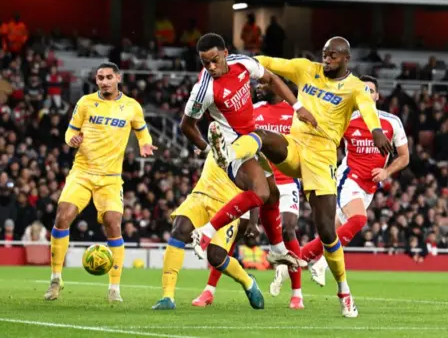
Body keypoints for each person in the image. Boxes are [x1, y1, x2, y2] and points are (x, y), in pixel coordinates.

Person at [207, 37, 393, 318]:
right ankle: (228, 153)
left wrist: (376, 130)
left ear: (346, 59)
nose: (327, 60)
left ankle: (344, 292)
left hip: (321, 159)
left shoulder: (355, 87)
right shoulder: (307, 69)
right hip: (295, 147)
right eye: (324, 54)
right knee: (263, 138)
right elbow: (269, 63)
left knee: (328, 233)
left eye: (333, 56)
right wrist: (234, 59)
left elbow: (367, 107)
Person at [180, 33, 314, 269]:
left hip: (252, 141)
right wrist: (206, 149)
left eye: (215, 60)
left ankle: (276, 250)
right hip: (232, 148)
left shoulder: (242, 63)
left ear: (225, 54)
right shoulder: (204, 90)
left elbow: (271, 79)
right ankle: (206, 232)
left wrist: (298, 106)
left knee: (272, 194)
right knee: (261, 192)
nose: (211, 67)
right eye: (205, 63)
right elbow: (186, 125)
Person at [44, 62, 157, 303]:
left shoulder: (132, 107)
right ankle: (55, 278)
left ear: (118, 78)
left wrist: (144, 143)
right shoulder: (85, 103)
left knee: (113, 223)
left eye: (108, 77)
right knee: (63, 216)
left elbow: (142, 130)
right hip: (82, 172)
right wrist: (71, 139)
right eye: (99, 78)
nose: (104, 81)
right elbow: (69, 131)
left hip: (110, 179)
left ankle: (114, 288)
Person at [192, 82, 306, 309]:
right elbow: (237, 133)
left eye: (264, 83)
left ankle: (296, 294)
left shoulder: (294, 113)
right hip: (254, 174)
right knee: (239, 230)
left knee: (289, 228)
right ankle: (209, 290)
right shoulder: (255, 109)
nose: (259, 86)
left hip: (285, 180)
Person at [301, 75, 409, 286]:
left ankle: (293, 262)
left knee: (331, 231)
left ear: (378, 95)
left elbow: (405, 156)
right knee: (359, 220)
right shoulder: (347, 118)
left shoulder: (392, 122)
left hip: (369, 187)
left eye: (371, 90)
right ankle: (322, 263)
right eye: (363, 90)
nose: (367, 93)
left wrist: (387, 172)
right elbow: (324, 138)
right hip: (349, 178)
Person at [150, 146, 264, 310]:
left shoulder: (248, 148)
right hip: (200, 195)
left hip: (227, 205)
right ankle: (168, 297)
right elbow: (192, 130)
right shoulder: (219, 133)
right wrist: (203, 147)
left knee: (216, 257)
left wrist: (253, 221)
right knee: (179, 231)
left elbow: (255, 189)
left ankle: (247, 281)